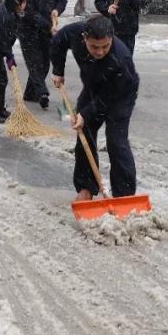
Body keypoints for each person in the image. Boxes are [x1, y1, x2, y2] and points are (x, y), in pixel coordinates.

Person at [51, 15, 140, 199]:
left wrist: (87, 112)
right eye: (94, 47)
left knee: (116, 141)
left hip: (120, 94)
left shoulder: (121, 59)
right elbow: (57, 41)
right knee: (85, 134)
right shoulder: (73, 33)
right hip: (93, 86)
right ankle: (86, 187)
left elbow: (109, 97)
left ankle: (124, 196)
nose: (100, 52)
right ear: (84, 38)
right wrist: (58, 71)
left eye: (105, 46)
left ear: (112, 38)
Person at [19, 0, 67, 108]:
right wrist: (49, 27)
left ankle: (29, 93)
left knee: (45, 64)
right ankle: (42, 93)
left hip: (46, 33)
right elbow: (32, 15)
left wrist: (57, 10)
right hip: (28, 33)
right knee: (35, 64)